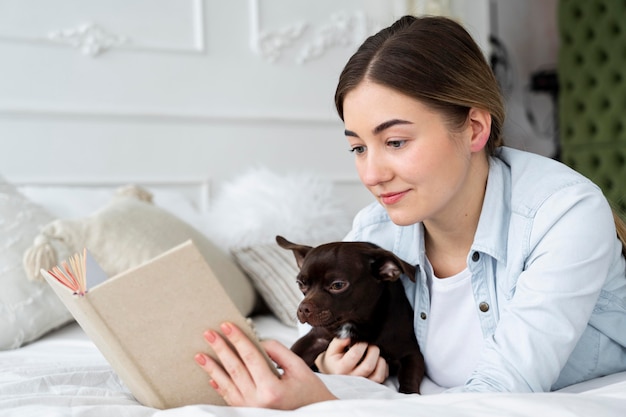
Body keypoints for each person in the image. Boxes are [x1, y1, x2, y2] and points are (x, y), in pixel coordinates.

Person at [194, 15, 626, 409]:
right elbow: (346, 337)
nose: (372, 174)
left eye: (395, 142)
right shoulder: (374, 232)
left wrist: (326, 404)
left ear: (474, 128)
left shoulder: (565, 215)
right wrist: (338, 371)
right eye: (358, 148)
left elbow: (502, 395)